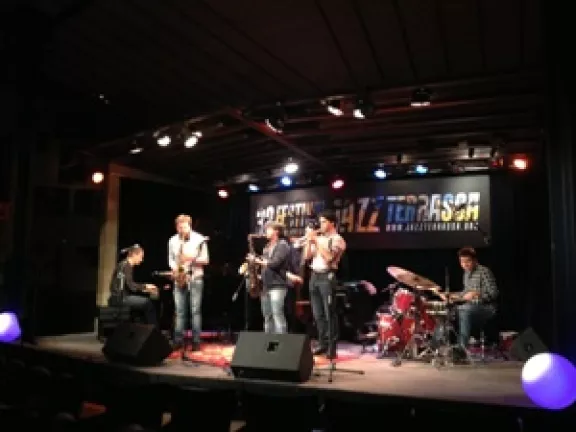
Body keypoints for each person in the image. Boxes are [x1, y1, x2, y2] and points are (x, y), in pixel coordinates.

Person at [303, 210, 346, 357]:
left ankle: (332, 348)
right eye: (320, 222)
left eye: (323, 222)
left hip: (327, 276)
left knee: (329, 313)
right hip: (314, 276)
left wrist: (316, 241)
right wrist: (309, 241)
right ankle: (322, 343)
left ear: (331, 223)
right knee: (318, 314)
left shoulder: (337, 239)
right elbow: (306, 256)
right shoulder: (319, 238)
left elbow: (329, 258)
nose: (320, 225)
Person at [436, 247, 498, 348]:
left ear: (475, 260)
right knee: (446, 311)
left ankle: (462, 348)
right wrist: (450, 295)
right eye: (462, 262)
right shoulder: (466, 273)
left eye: (467, 261)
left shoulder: (484, 271)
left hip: (487, 307)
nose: (464, 264)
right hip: (470, 306)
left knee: (464, 310)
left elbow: (494, 293)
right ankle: (436, 346)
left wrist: (478, 294)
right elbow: (465, 293)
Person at [168, 214, 209, 351]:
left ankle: (196, 341)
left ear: (189, 226)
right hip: (179, 277)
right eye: (180, 228)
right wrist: (175, 269)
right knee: (179, 311)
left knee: (195, 311)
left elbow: (206, 259)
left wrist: (190, 259)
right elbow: (171, 259)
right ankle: (178, 340)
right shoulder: (172, 240)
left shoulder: (199, 239)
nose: (182, 231)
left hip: (195, 277)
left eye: (185, 227)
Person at [247, 222, 291, 334]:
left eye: (268, 229)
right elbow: (265, 265)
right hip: (265, 286)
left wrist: (257, 260)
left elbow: (274, 263)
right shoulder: (267, 247)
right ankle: (268, 341)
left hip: (277, 285)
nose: (265, 232)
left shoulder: (282, 245)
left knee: (277, 315)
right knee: (267, 316)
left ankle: (281, 341)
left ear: (276, 231)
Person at [108, 245, 158, 325]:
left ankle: (141, 327)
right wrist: (146, 286)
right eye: (141, 257)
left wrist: (145, 289)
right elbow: (130, 286)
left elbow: (127, 286)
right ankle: (153, 330)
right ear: (134, 255)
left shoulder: (123, 264)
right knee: (148, 304)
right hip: (121, 299)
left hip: (116, 298)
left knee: (142, 304)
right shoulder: (127, 266)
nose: (141, 260)